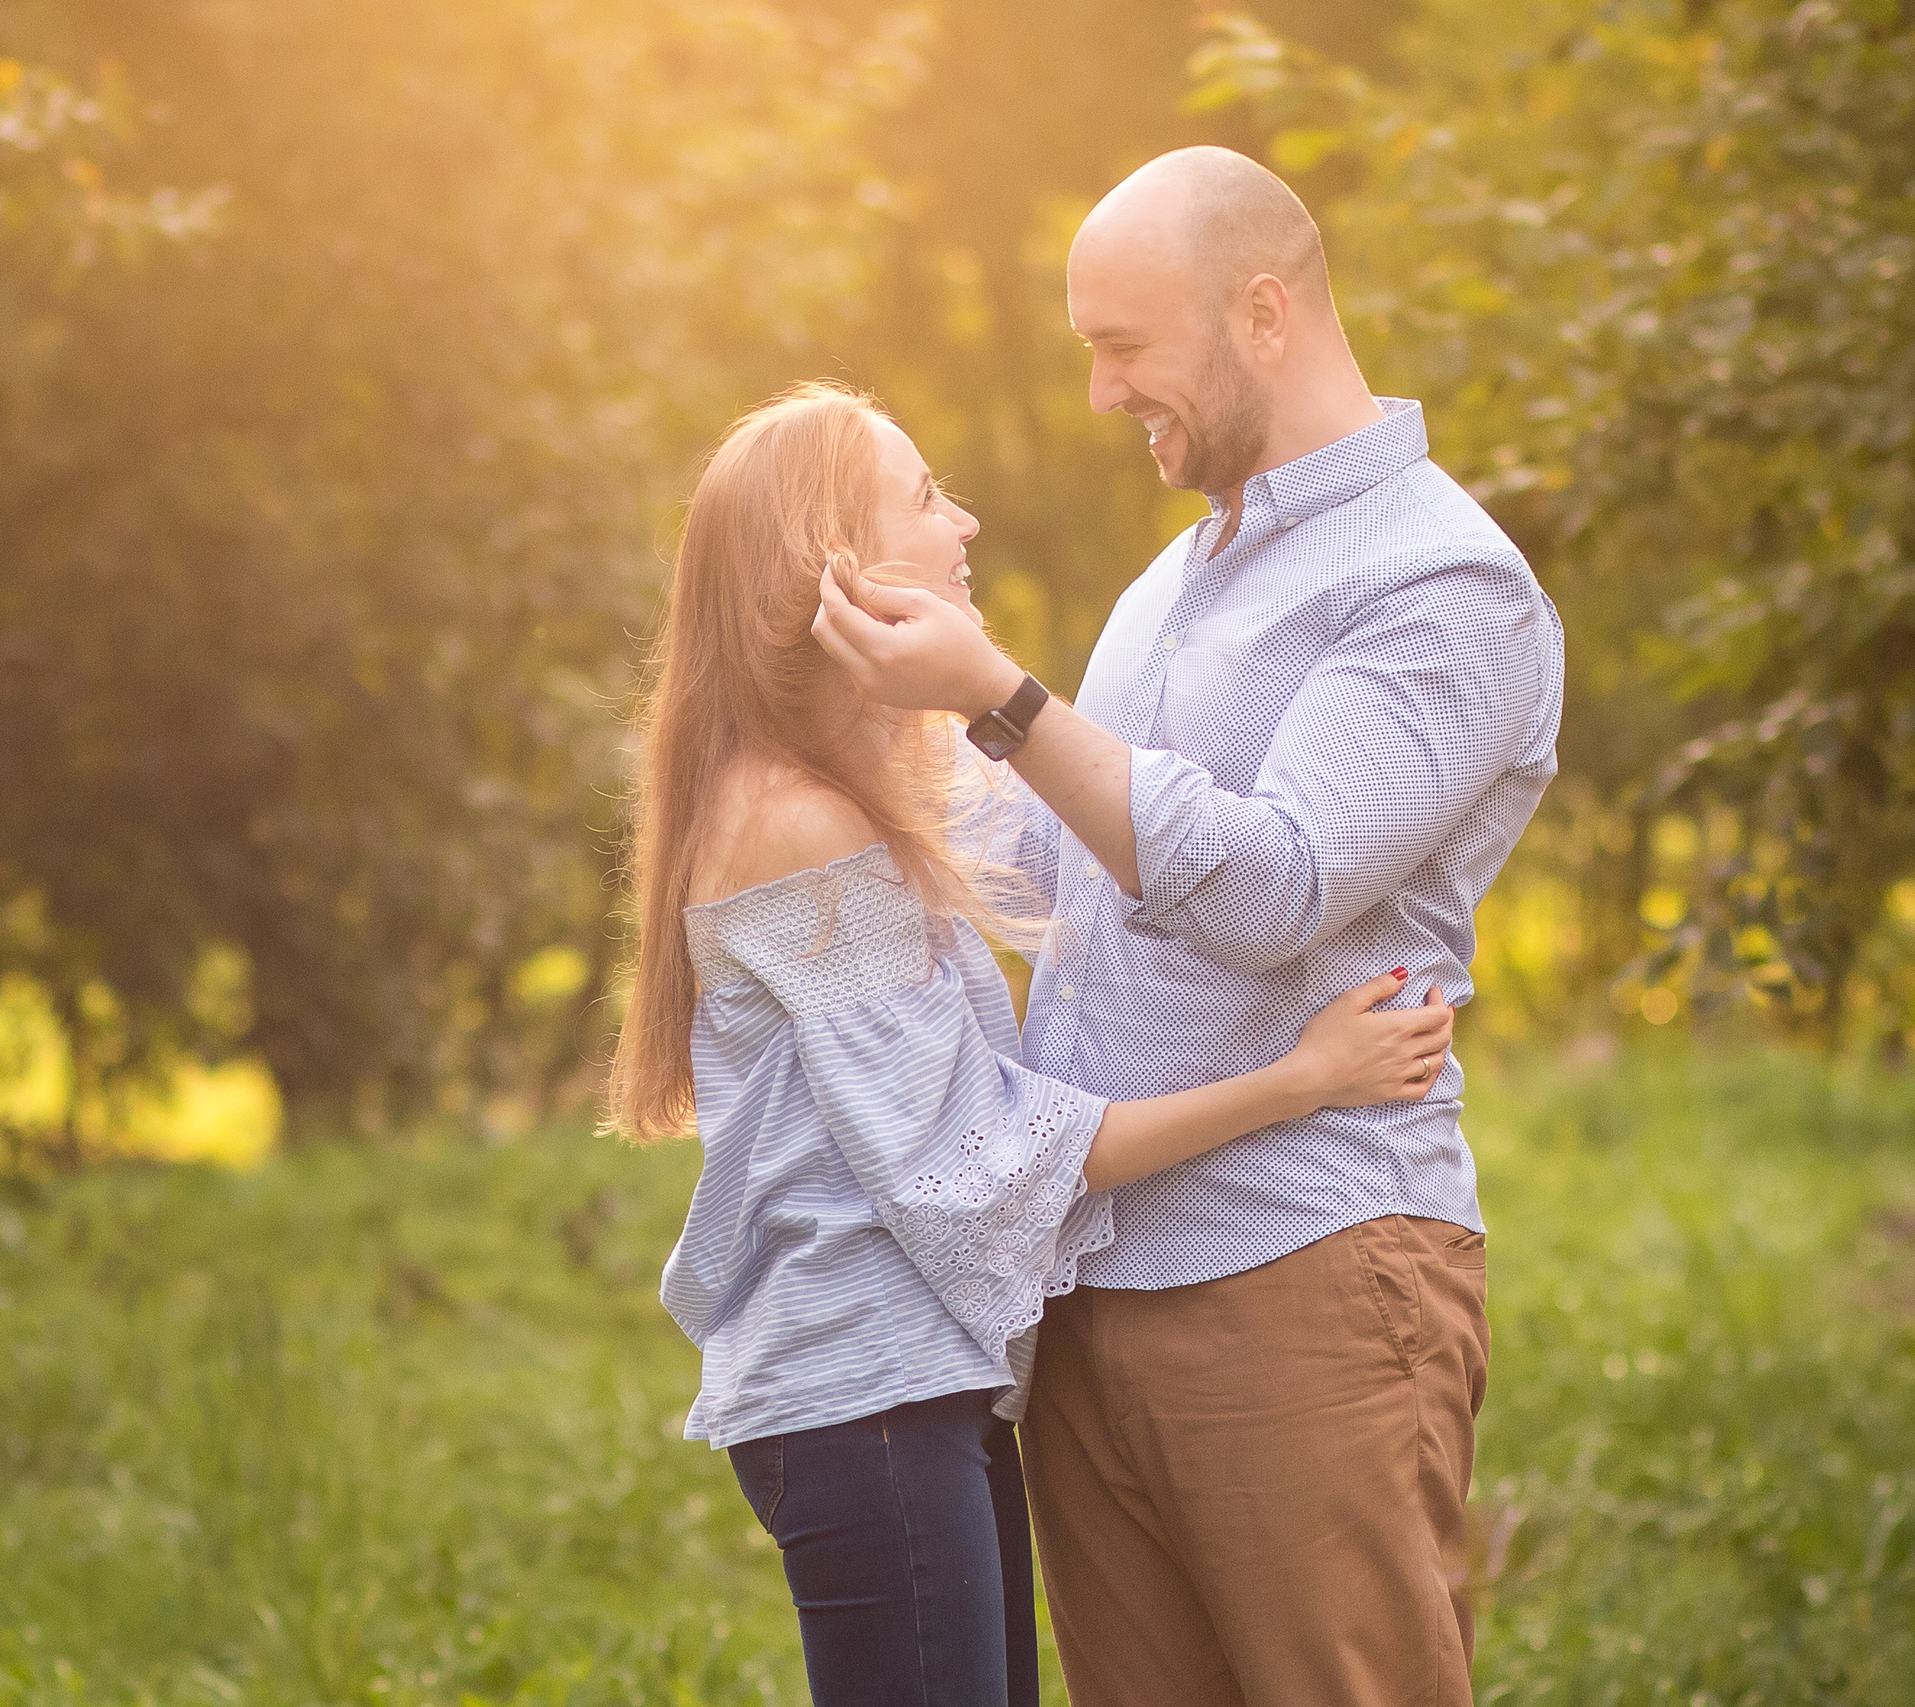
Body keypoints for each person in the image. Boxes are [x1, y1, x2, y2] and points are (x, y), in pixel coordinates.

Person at [810, 147, 1565, 1707]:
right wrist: (833, 679)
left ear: (1265, 315)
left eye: (1124, 345)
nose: (1101, 393)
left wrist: (1005, 698)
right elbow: (1057, 860)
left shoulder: (1442, 583)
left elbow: (1272, 891)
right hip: (1095, 1288)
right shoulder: (1175, 576)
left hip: (1299, 1270)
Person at [606, 378, 1459, 1707]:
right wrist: (1303, 1081)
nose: (964, 520)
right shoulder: (797, 828)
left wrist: (966, 697)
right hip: (868, 1403)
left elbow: (1115, 850)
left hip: (913, 1393)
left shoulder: (847, 792)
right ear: (829, 566)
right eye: (924, 495)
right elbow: (981, 1166)